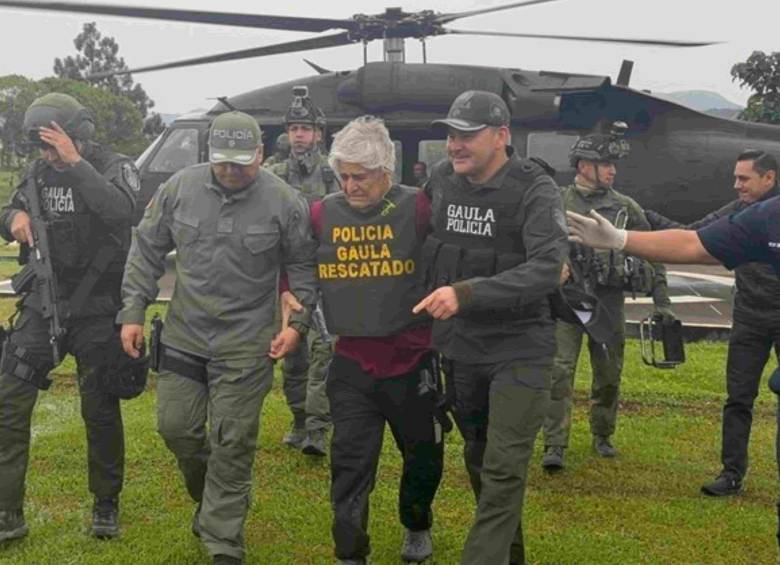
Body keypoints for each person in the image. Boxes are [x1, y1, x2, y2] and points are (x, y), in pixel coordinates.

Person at [118, 111, 317, 565]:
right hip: (185, 337)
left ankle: (224, 540)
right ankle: (211, 501)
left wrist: (295, 325)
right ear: (209, 156)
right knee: (176, 429)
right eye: (221, 162)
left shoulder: (285, 202)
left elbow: (304, 267)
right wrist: (132, 312)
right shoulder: (179, 189)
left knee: (233, 439)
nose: (230, 171)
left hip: (246, 344)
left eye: (241, 163)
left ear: (261, 154)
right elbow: (146, 248)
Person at [414, 90, 568, 565]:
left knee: (503, 468)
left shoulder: (534, 188)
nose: (455, 146)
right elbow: (408, 234)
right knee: (480, 460)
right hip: (460, 350)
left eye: (467, 136)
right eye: (451, 136)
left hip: (521, 346)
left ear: (501, 136)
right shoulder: (440, 180)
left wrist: (466, 293)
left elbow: (548, 267)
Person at [282, 115, 444, 565]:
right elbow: (296, 266)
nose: (350, 186)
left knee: (422, 457)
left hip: (413, 360)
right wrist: (289, 302)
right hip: (351, 363)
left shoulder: (418, 207)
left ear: (386, 172)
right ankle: (350, 551)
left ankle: (417, 522)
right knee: (350, 464)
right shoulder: (322, 213)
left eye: (361, 177)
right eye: (344, 176)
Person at [0, 93, 142, 542]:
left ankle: (105, 503)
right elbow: (8, 207)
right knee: (9, 400)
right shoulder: (40, 171)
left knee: (98, 408)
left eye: (52, 145)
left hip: (98, 309)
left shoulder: (114, 166)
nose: (46, 155)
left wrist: (75, 161)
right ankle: (7, 511)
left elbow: (122, 212)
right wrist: (15, 218)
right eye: (40, 147)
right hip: (44, 304)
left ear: (75, 136)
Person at [644, 150, 780, 496]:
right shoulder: (737, 213)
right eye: (735, 178)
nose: (737, 186)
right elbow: (691, 236)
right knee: (738, 397)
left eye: (744, 179)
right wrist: (640, 214)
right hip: (749, 316)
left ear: (769, 178)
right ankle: (731, 473)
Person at [540, 126, 675, 471]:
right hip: (566, 302)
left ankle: (602, 434)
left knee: (609, 372)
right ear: (584, 165)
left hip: (607, 302)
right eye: (606, 163)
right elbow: (534, 243)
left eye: (614, 164)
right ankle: (555, 443)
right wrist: (553, 266)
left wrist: (663, 303)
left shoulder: (625, 207)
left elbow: (653, 251)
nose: (613, 170)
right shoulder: (556, 201)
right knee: (559, 370)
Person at [268, 86, 338, 456]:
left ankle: (317, 429)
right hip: (287, 280)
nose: (299, 134)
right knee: (292, 355)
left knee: (323, 351)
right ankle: (298, 418)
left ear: (317, 133)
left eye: (306, 128)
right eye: (294, 128)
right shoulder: (273, 173)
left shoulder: (332, 173)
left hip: (324, 274)